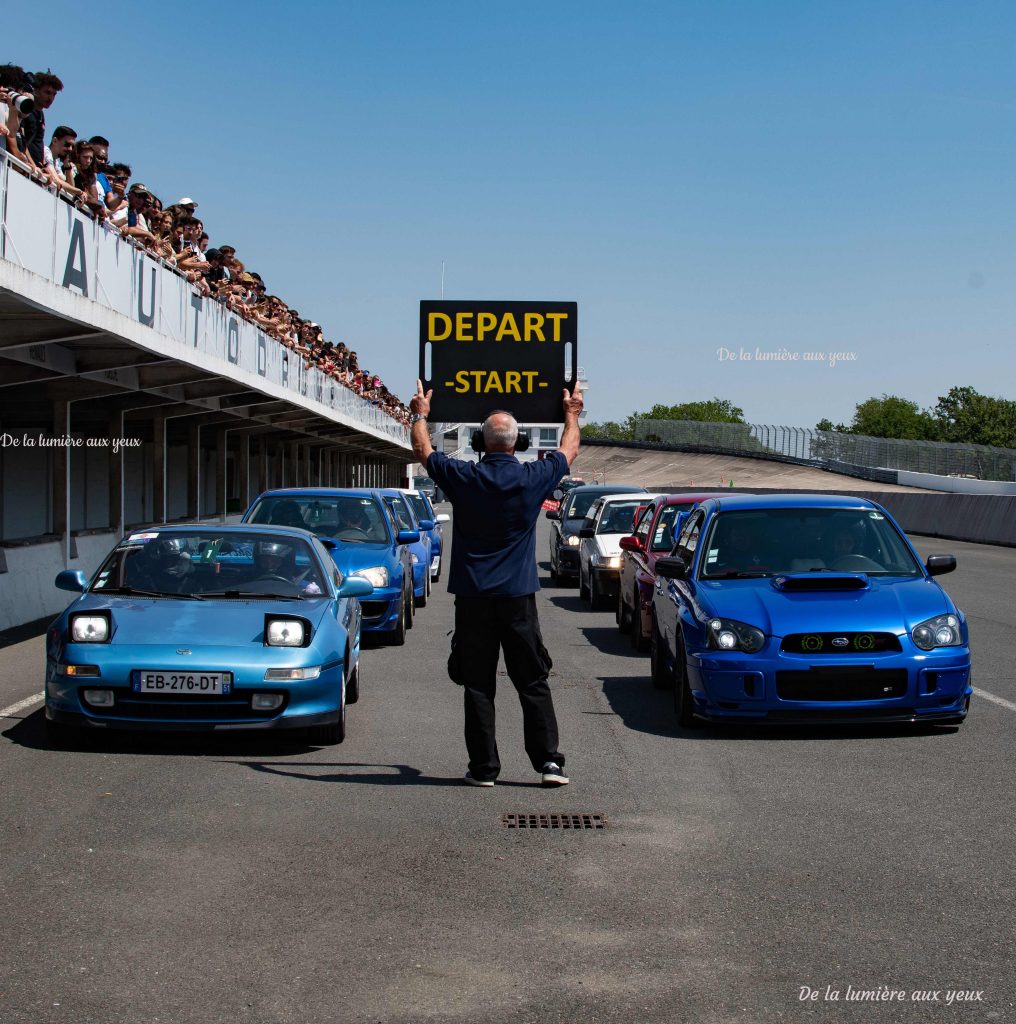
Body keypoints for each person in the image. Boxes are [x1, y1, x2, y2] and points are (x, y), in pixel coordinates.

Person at [410, 378, 584, 788]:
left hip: (473, 598)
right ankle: (549, 764)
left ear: (481, 442)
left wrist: (420, 412)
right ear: (518, 442)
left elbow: (423, 450)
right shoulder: (532, 477)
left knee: (478, 684)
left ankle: (484, 769)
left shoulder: (463, 477)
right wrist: (572, 413)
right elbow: (570, 448)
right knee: (532, 681)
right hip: (517, 598)